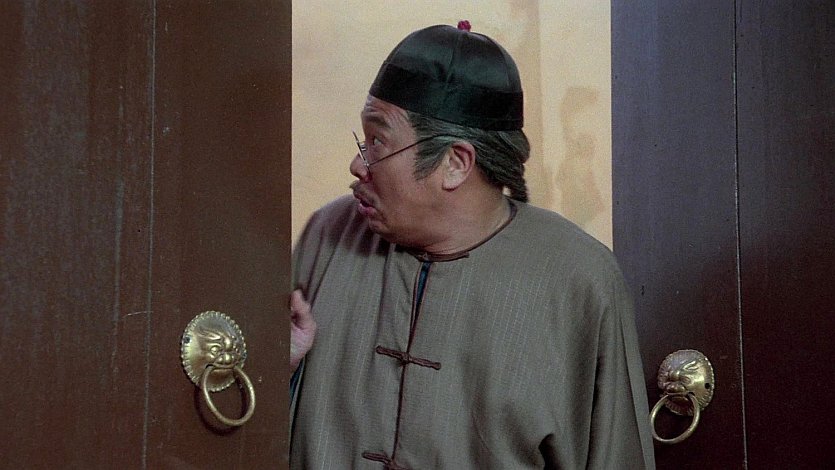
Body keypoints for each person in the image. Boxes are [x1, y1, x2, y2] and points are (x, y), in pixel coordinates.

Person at [289, 22, 655, 469]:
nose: (357, 164)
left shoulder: (580, 280)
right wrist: (277, 368)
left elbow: (617, 456)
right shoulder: (328, 235)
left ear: (454, 163)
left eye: (377, 142)